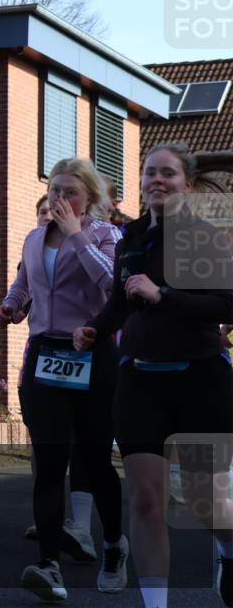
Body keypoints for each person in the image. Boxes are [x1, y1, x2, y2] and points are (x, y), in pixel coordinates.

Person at [73, 142, 233, 608]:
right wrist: (95, 330)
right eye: (149, 174)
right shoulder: (131, 239)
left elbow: (227, 305)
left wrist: (164, 294)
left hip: (201, 379)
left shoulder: (205, 237)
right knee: (144, 500)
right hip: (141, 382)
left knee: (207, 503)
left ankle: (227, 550)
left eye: (168, 173)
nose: (157, 181)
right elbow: (122, 302)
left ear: (187, 183)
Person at [0, 158, 127, 602]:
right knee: (50, 462)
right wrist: (9, 307)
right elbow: (24, 285)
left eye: (69, 192)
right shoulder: (34, 238)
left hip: (92, 354)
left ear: (89, 198)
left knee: (94, 460)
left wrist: (76, 235)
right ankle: (49, 563)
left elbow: (113, 285)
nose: (59, 200)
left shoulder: (107, 235)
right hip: (45, 356)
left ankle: (113, 546)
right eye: (54, 191)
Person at [19, 195, 96, 565]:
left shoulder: (93, 243)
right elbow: (21, 293)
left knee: (82, 444)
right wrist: (9, 307)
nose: (49, 217)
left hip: (82, 353)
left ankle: (81, 525)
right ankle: (48, 521)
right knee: (46, 448)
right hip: (39, 359)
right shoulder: (33, 249)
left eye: (55, 212)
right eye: (43, 213)